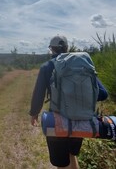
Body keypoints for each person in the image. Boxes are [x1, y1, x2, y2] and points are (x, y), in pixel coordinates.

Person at [29, 35, 108, 169]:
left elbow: (39, 93)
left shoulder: (47, 66)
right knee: (72, 155)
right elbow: (103, 93)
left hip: (58, 121)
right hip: (80, 121)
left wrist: (34, 113)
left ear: (51, 49)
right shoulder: (82, 64)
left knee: (61, 164)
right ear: (66, 48)